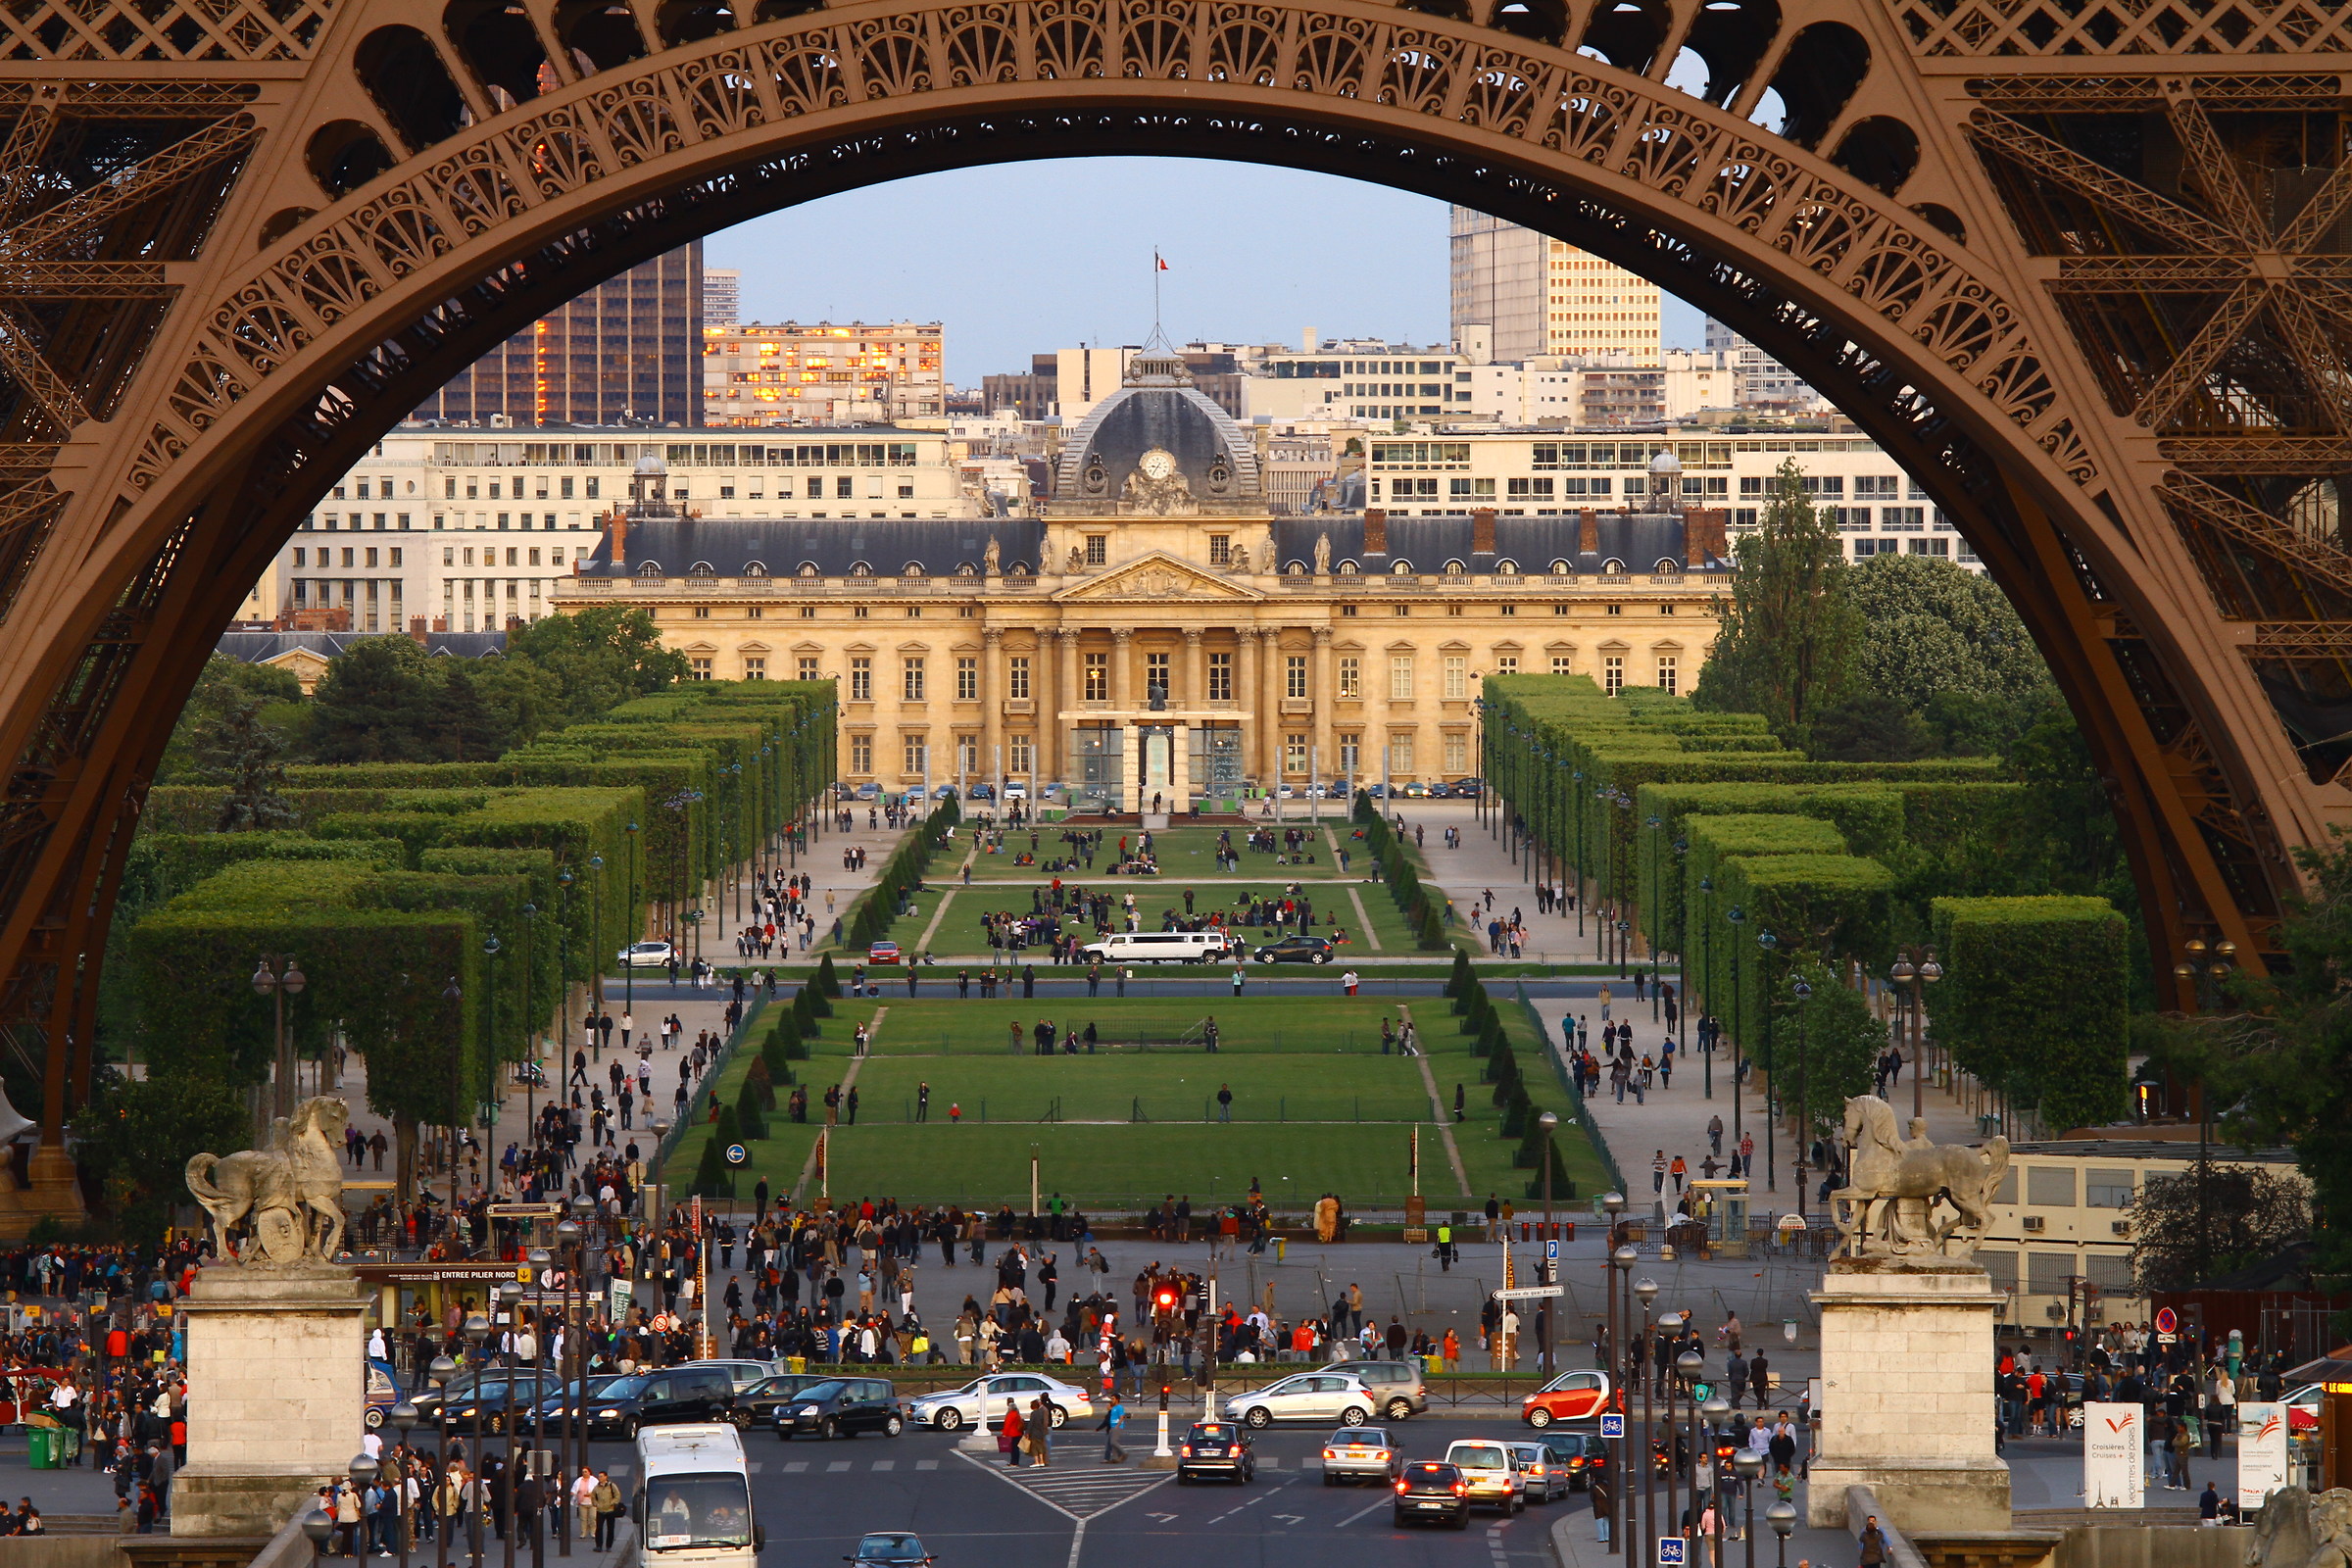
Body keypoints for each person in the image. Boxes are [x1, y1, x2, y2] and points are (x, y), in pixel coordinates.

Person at [1101, 1396, 1127, 1463]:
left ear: (1117, 1400)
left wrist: (1117, 1426)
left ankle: (1123, 1453)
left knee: (1113, 1442)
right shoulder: (1113, 1408)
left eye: (1113, 1399)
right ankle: (1115, 1458)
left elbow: (1122, 1417)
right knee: (1111, 1443)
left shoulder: (1119, 1407)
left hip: (1117, 1427)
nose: (1111, 1400)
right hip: (1112, 1427)